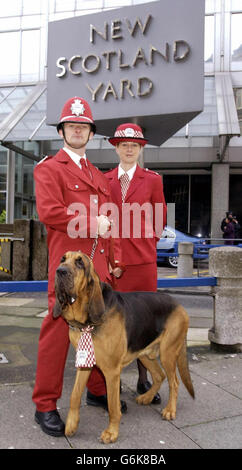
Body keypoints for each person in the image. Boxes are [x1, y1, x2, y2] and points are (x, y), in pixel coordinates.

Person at [32, 96, 126, 437]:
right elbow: (50, 213)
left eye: (83, 126)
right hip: (69, 271)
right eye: (71, 125)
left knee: (97, 329)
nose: (77, 129)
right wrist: (90, 223)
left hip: (98, 271)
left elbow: (110, 223)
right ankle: (44, 404)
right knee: (58, 332)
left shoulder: (97, 175)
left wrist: (115, 262)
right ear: (62, 130)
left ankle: (97, 391)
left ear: (90, 132)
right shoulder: (48, 169)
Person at [105, 123, 167, 404]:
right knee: (111, 324)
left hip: (142, 265)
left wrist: (141, 249)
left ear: (140, 149)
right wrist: (112, 257)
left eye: (134, 145)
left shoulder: (153, 180)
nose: (129, 149)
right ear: (116, 148)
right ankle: (111, 382)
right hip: (111, 265)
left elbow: (158, 221)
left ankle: (144, 380)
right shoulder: (103, 180)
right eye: (124, 145)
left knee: (144, 324)